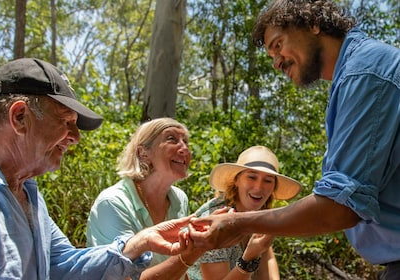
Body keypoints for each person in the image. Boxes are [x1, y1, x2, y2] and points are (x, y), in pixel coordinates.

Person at [189, 0, 400, 279]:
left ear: (313, 24)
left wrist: (235, 224)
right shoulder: (355, 75)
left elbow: (340, 207)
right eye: (270, 55)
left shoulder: (365, 72)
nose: (276, 62)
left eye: (278, 45)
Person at [0, 57, 194, 280]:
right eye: (66, 122)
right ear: (20, 117)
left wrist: (139, 242)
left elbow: (63, 264)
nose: (76, 137)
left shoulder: (28, 194)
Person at [86, 117, 206, 280]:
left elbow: (178, 271)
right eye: (172, 139)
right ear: (143, 153)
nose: (184, 148)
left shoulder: (179, 199)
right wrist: (193, 253)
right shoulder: (113, 203)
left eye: (186, 141)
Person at [188, 146, 302, 280]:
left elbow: (266, 256)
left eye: (268, 180)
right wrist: (249, 258)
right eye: (252, 177)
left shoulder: (261, 214)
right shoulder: (216, 220)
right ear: (236, 180)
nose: (259, 187)